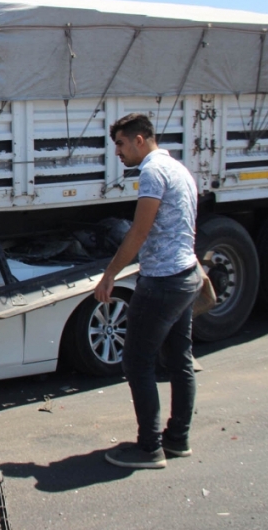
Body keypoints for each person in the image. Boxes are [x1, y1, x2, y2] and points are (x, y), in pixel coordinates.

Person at [95, 113, 201, 470]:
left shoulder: (152, 172)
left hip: (162, 281)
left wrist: (110, 275)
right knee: (179, 359)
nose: (119, 154)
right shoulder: (179, 170)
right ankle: (178, 439)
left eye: (121, 145)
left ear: (140, 139)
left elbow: (139, 232)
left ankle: (149, 448)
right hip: (186, 275)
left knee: (137, 361)